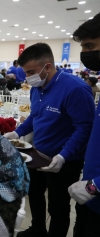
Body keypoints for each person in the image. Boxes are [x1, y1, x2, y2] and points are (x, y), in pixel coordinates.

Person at [3, 43, 95, 237]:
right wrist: (17, 133)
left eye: (31, 72)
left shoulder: (75, 88)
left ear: (47, 66)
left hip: (65, 160)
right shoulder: (37, 87)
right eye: (25, 73)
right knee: (34, 195)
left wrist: (63, 156)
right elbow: (35, 117)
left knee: (58, 206)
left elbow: (84, 128)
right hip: (38, 153)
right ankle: (37, 229)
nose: (27, 78)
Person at [68, 13, 100, 237]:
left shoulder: (77, 88)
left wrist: (94, 185)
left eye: (90, 46)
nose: (86, 54)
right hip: (91, 196)